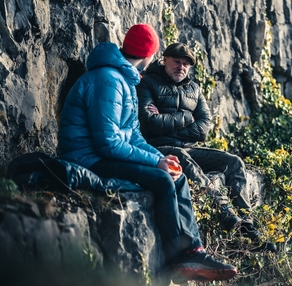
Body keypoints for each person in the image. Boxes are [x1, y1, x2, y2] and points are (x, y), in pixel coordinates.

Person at [57, 24, 237, 283]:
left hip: (103, 156)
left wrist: (160, 157)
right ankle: (178, 258)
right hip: (87, 159)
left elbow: (132, 134)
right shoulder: (108, 79)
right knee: (162, 180)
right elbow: (107, 142)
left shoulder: (124, 78)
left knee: (178, 175)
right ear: (151, 55)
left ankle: (194, 251)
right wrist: (156, 161)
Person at [136, 42, 276, 252]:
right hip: (158, 149)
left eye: (185, 64)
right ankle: (228, 217)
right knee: (180, 155)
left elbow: (203, 129)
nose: (181, 67)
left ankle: (247, 227)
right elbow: (150, 123)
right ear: (164, 60)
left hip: (189, 148)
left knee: (234, 162)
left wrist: (168, 123)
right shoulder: (148, 83)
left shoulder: (194, 88)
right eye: (176, 62)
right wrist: (186, 117)